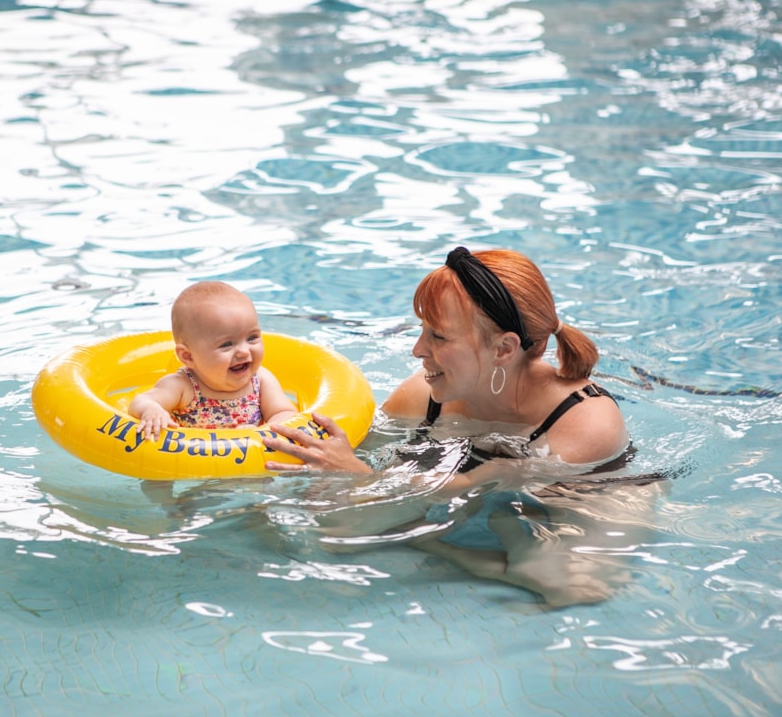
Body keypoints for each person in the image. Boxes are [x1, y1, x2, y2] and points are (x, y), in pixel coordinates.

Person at [263, 247, 655, 607]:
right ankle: (441, 542)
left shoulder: (586, 421)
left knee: (567, 584)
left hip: (579, 493)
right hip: (473, 479)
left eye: (438, 335)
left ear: (503, 349)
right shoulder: (423, 396)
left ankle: (441, 546)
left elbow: (506, 478)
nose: (417, 349)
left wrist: (362, 480)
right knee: (337, 534)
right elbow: (349, 497)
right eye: (421, 330)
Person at [130, 281, 298, 441]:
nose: (244, 351)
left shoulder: (261, 380)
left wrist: (260, 434)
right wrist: (152, 410)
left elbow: (284, 413)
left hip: (253, 460)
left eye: (252, 338)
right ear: (188, 356)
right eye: (226, 344)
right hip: (194, 462)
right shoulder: (183, 386)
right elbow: (142, 401)